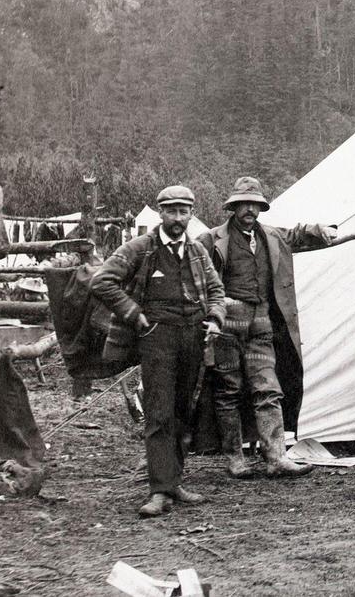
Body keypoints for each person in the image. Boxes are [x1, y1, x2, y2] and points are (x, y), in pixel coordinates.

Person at [91, 185, 226, 518]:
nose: (177, 219)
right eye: (171, 212)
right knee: (159, 413)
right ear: (160, 212)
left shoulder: (197, 252)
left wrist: (215, 319)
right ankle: (159, 491)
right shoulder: (141, 249)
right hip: (157, 338)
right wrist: (134, 314)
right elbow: (102, 281)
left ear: (191, 214)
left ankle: (175, 482)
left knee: (183, 411)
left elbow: (217, 291)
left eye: (184, 212)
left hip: (193, 337)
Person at [197, 177, 336, 478]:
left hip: (262, 324)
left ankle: (276, 457)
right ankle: (235, 458)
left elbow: (299, 234)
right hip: (226, 327)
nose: (249, 209)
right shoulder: (211, 239)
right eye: (243, 204)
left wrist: (320, 230)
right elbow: (195, 271)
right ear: (233, 207)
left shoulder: (271, 237)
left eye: (255, 204)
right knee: (229, 391)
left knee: (268, 388)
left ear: (261, 207)